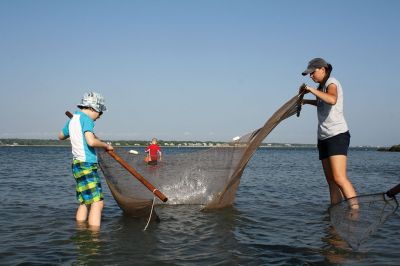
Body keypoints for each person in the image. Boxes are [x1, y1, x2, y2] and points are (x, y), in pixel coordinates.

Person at [301, 58, 357, 205]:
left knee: (339, 178)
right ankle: (335, 213)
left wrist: (310, 90)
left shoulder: (331, 82)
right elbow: (322, 102)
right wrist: (306, 101)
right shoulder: (320, 87)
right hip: (323, 137)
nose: (311, 76)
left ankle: (355, 212)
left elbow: (332, 99)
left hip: (337, 135)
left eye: (312, 73)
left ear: (323, 69)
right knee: (331, 181)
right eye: (309, 74)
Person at [58, 92, 113, 229]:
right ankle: (94, 238)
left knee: (84, 201)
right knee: (97, 203)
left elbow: (60, 136)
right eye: (99, 113)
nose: (99, 117)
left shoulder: (73, 120)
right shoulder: (86, 119)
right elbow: (91, 141)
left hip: (77, 164)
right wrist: (106, 145)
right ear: (93, 108)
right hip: (87, 164)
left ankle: (81, 229)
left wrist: (75, 136)